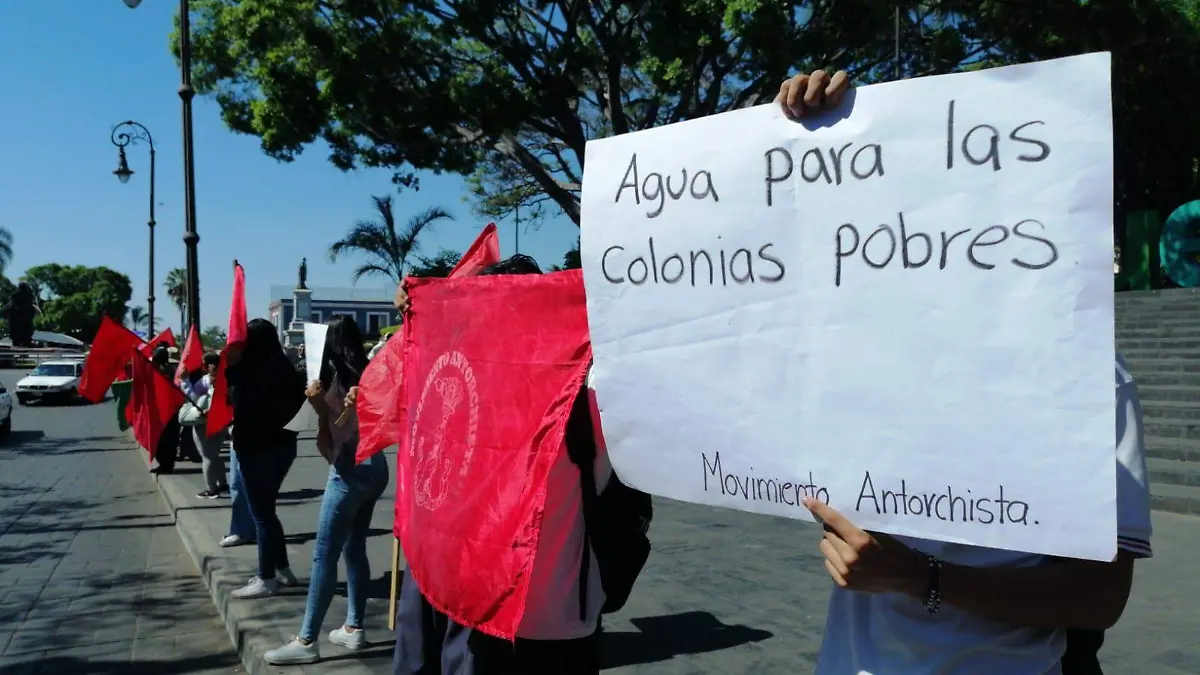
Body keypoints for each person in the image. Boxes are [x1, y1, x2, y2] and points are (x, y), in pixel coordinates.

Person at [767, 70, 1152, 675]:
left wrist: (919, 578)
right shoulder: (859, 356)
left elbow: (1099, 598)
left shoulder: (1086, 372)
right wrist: (806, 129)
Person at [392, 254, 612, 675]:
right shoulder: (462, 397)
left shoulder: (586, 396)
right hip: (475, 615)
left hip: (550, 626)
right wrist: (418, 318)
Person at [266, 316, 391, 665]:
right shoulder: (367, 375)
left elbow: (331, 444)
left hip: (350, 471)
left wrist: (320, 408)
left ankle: (307, 639)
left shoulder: (333, 383)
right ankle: (354, 627)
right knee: (354, 548)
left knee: (324, 555)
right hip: (377, 467)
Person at [227, 318, 307, 599]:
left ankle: (266, 577)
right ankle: (281, 567)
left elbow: (243, 409)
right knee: (268, 512)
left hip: (255, 449)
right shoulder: (286, 368)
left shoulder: (248, 371)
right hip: (283, 448)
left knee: (261, 515)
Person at [182, 352, 229, 499]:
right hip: (222, 422)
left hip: (204, 422)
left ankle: (211, 489)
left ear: (210, 366)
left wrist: (184, 381)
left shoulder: (207, 381)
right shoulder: (228, 379)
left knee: (207, 456)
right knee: (214, 454)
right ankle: (222, 483)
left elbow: (192, 396)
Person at [150, 344, 182, 475]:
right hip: (164, 411)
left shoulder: (166, 371)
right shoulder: (159, 370)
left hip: (168, 411)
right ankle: (165, 463)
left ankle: (166, 464)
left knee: (166, 439)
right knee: (166, 440)